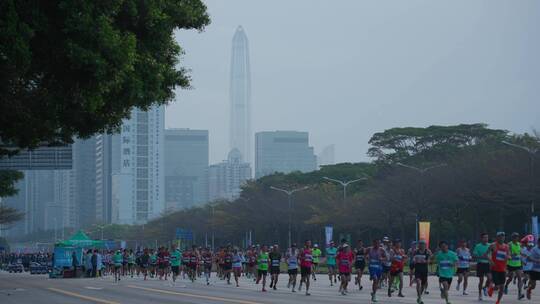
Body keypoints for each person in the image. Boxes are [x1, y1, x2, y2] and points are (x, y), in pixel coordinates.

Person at [487, 232, 510, 304]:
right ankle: (491, 288)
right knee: (497, 286)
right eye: (500, 236)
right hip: (495, 268)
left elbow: (509, 255)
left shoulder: (506, 246)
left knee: (502, 287)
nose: (502, 238)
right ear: (497, 237)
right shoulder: (493, 245)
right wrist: (490, 260)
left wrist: (509, 257)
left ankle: (498, 301)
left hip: (503, 269)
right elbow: (487, 254)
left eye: (503, 237)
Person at [505, 232, 524, 299]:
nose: (516, 238)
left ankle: (519, 293)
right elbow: (508, 253)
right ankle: (506, 286)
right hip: (511, 264)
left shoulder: (519, 244)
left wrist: (524, 259)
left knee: (519, 277)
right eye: (514, 237)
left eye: (517, 237)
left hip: (518, 264)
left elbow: (521, 253)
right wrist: (512, 255)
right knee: (510, 278)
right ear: (512, 238)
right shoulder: (509, 244)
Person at [366, 239, 387, 303]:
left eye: (378, 243)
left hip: (379, 267)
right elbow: (364, 253)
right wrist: (366, 257)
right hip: (372, 267)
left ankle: (373, 293)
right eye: (375, 243)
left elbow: (386, 258)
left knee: (376, 282)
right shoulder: (369, 249)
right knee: (375, 279)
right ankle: (374, 295)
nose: (377, 245)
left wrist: (382, 259)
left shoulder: (382, 250)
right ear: (373, 243)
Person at [473, 232, 492, 301]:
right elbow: (474, 255)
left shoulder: (490, 245)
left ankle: (485, 287)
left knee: (490, 278)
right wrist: (482, 257)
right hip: (480, 264)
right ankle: (480, 294)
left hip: (488, 264)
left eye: (487, 237)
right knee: (481, 280)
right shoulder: (478, 246)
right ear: (481, 238)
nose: (486, 239)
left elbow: (493, 254)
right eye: (484, 237)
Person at [413, 240, 432, 304]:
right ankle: (420, 297)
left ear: (425, 245)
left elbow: (430, 260)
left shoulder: (427, 251)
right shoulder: (416, 251)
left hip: (424, 270)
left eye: (423, 244)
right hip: (418, 269)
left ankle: (419, 296)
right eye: (420, 244)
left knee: (423, 285)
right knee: (418, 282)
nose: (421, 245)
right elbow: (413, 259)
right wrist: (415, 261)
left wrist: (426, 261)